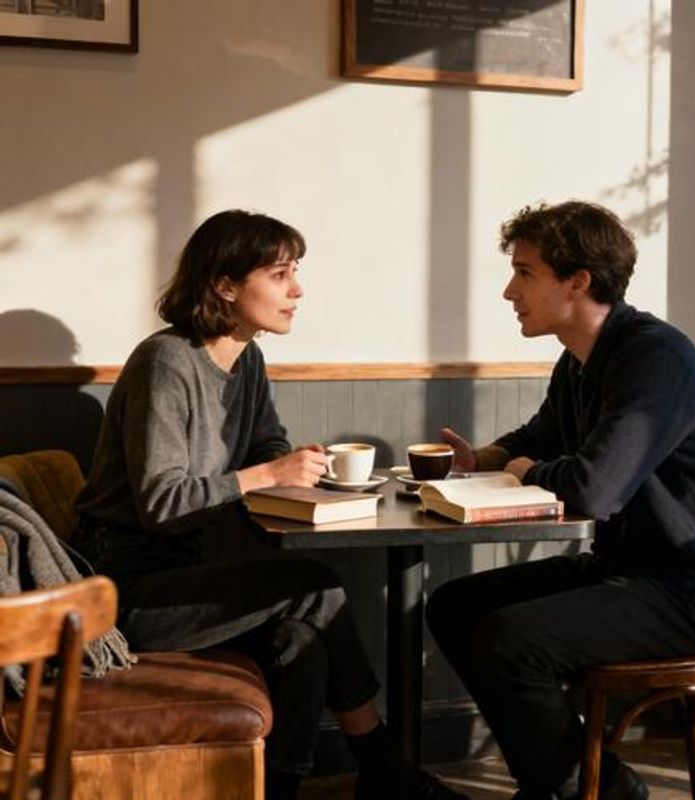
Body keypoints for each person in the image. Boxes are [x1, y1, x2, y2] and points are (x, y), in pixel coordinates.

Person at [73, 209, 467, 800]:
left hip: (185, 571)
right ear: (225, 285)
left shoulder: (246, 358)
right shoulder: (167, 362)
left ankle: (285, 789)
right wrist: (266, 475)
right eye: (280, 275)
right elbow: (161, 502)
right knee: (318, 586)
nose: (297, 290)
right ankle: (386, 770)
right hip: (122, 589)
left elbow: (266, 445)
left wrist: (298, 469)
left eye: (295, 273)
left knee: (300, 643)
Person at [426, 201, 695, 800]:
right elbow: (540, 437)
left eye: (524, 273)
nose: (509, 291)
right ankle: (588, 785)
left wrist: (527, 470)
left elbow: (594, 490)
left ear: (578, 281)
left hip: (692, 592)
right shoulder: (580, 360)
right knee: (454, 606)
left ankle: (592, 790)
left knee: (509, 641)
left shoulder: (655, 356)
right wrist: (486, 458)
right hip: (624, 570)